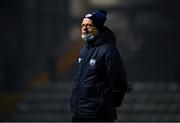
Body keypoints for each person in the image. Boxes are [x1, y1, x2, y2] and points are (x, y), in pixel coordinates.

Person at [70, 10, 128, 122]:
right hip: (79, 113)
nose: (84, 28)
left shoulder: (108, 50)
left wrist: (108, 103)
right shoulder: (83, 51)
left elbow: (118, 81)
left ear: (99, 29)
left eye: (89, 26)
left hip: (99, 115)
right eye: (82, 25)